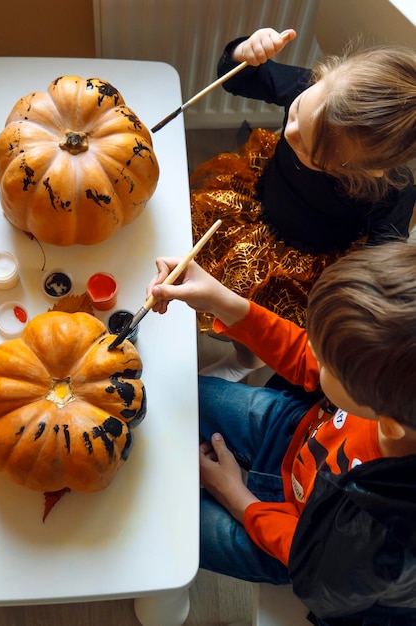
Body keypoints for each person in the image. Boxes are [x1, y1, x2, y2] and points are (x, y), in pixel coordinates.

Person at [146, 241, 416, 624]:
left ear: (383, 421)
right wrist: (223, 301)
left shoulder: (379, 529)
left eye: (326, 363)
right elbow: (304, 356)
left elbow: (307, 553)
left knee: (161, 523)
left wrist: (234, 494)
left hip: (290, 534)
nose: (314, 356)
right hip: (292, 434)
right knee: (165, 396)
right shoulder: (390, 397)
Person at [192, 28, 416, 382]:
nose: (290, 132)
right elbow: (237, 80)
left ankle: (246, 359)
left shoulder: (393, 193)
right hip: (257, 206)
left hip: (302, 265)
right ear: (323, 79)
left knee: (256, 318)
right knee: (212, 270)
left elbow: (382, 264)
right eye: (295, 111)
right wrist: (244, 53)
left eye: (310, 152)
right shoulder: (311, 89)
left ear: (366, 173)